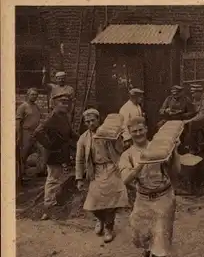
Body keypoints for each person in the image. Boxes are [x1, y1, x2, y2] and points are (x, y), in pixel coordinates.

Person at [118, 116, 181, 257]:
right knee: (141, 234)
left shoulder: (160, 147)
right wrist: (141, 163)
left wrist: (174, 152)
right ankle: (147, 249)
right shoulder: (128, 155)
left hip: (163, 197)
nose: (138, 133)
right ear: (130, 133)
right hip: (143, 199)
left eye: (141, 129)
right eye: (134, 131)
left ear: (146, 129)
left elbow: (176, 172)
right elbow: (125, 180)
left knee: (160, 235)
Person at [75, 109, 129, 243]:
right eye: (87, 122)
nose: (90, 123)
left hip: (111, 168)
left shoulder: (108, 133)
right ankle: (100, 219)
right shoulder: (83, 138)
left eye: (93, 120)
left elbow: (119, 149)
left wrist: (119, 138)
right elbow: (79, 159)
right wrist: (79, 178)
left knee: (111, 202)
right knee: (93, 203)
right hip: (96, 171)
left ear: (99, 120)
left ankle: (109, 228)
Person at [33, 91, 80, 221]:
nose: (66, 105)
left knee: (57, 178)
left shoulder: (64, 116)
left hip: (62, 152)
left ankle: (53, 202)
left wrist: (81, 139)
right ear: (55, 104)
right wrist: (49, 145)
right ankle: (48, 207)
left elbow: (70, 132)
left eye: (67, 103)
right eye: (62, 102)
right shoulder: (52, 117)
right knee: (52, 179)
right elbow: (38, 132)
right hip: (54, 153)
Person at [16, 88, 44, 180]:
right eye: (32, 94)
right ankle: (21, 175)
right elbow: (18, 122)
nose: (34, 96)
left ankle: (40, 171)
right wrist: (19, 135)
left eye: (36, 95)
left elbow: (38, 120)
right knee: (23, 153)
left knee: (42, 149)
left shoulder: (36, 106)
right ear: (28, 95)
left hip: (36, 133)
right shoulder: (23, 106)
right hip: (26, 132)